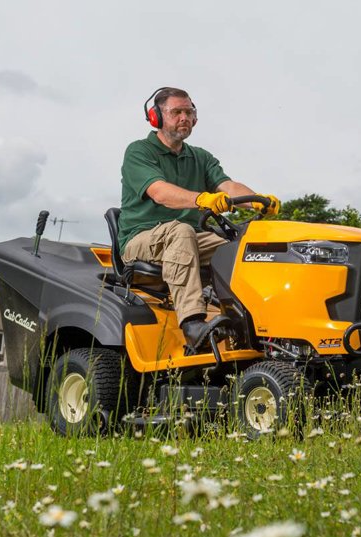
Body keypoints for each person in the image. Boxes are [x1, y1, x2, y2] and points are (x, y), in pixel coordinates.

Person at [118, 87, 280, 352]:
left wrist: (259, 199)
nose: (184, 117)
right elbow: (160, 192)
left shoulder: (200, 157)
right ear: (156, 117)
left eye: (188, 112)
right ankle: (193, 325)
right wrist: (201, 199)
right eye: (176, 112)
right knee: (180, 231)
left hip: (189, 238)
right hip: (141, 239)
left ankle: (252, 323)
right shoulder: (139, 152)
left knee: (236, 249)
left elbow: (227, 185)